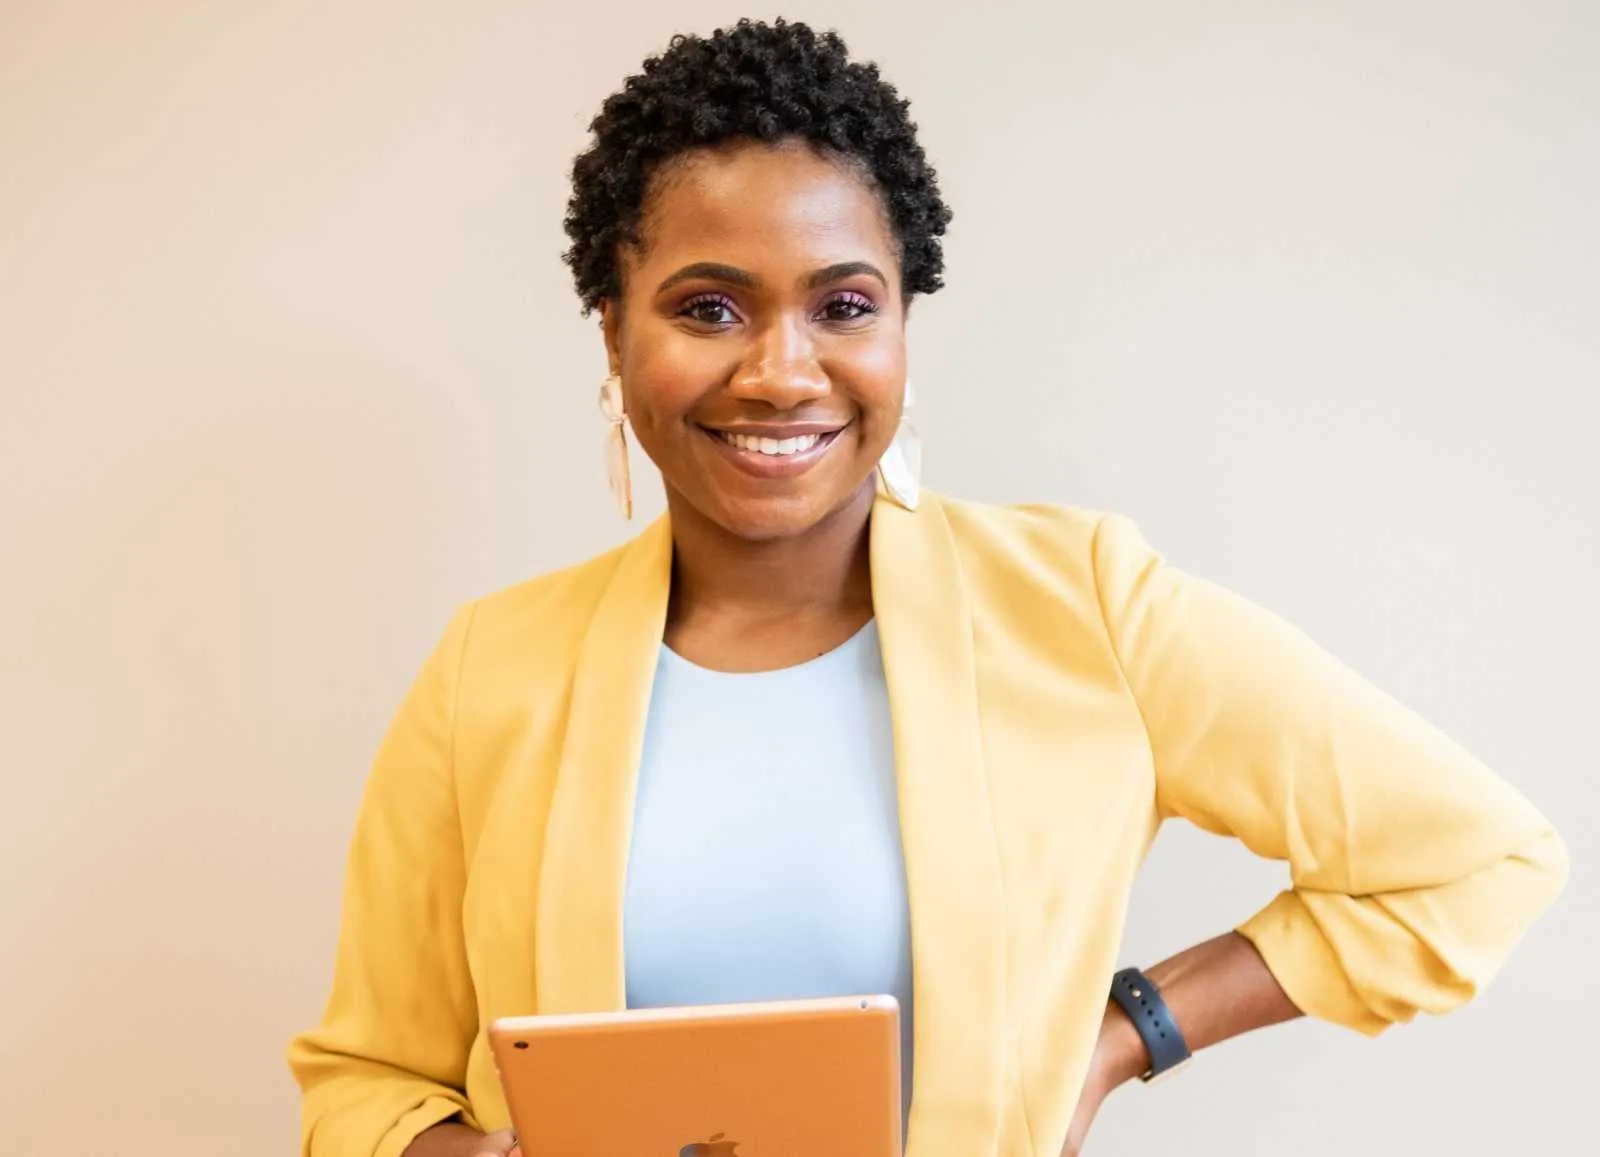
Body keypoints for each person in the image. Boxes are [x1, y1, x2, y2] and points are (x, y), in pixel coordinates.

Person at [287, 19, 1567, 1157]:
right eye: (709, 308)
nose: (783, 371)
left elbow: (1473, 856)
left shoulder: (1085, 605)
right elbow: (365, 1079)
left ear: (902, 327)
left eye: (842, 303)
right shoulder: (491, 667)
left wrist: (1129, 1031)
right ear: (614, 331)